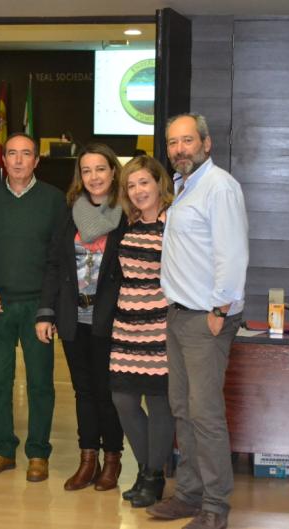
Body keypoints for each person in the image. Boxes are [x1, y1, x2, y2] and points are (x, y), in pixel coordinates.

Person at [147, 113, 249, 529]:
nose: (179, 149)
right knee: (183, 410)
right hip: (179, 315)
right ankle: (189, 495)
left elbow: (233, 253)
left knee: (205, 415)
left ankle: (215, 507)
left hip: (206, 319)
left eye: (187, 140)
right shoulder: (183, 186)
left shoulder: (219, 186)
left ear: (206, 143)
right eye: (173, 142)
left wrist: (220, 310)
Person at [0, 132, 66, 482]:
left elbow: (58, 258)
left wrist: (48, 308)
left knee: (41, 383)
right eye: (11, 153)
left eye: (25, 154)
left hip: (36, 307)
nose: (17, 160)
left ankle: (38, 453)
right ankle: (3, 449)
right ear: (3, 159)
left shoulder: (54, 199)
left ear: (36, 161)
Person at [35, 143, 124, 491]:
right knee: (83, 391)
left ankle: (112, 460)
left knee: (107, 392)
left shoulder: (126, 213)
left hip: (110, 319)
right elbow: (54, 265)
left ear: (113, 171)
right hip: (74, 318)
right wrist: (46, 312)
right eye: (86, 171)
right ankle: (88, 459)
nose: (94, 177)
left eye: (100, 169)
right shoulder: (70, 212)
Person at [107, 155, 175, 509]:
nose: (137, 191)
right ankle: (149, 470)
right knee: (123, 400)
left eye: (144, 182)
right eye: (131, 185)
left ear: (159, 183)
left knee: (159, 402)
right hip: (126, 324)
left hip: (161, 324)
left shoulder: (174, 222)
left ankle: (152, 477)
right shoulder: (130, 222)